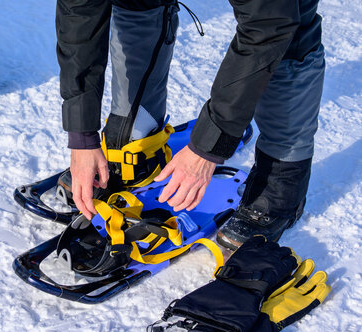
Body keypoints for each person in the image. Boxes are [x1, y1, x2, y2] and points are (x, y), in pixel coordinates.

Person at [56, 0, 324, 248]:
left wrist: (208, 147)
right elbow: (79, 13)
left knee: (291, 31)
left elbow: (269, 26)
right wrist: (82, 136)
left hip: (272, 14)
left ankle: (282, 177)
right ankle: (136, 132)